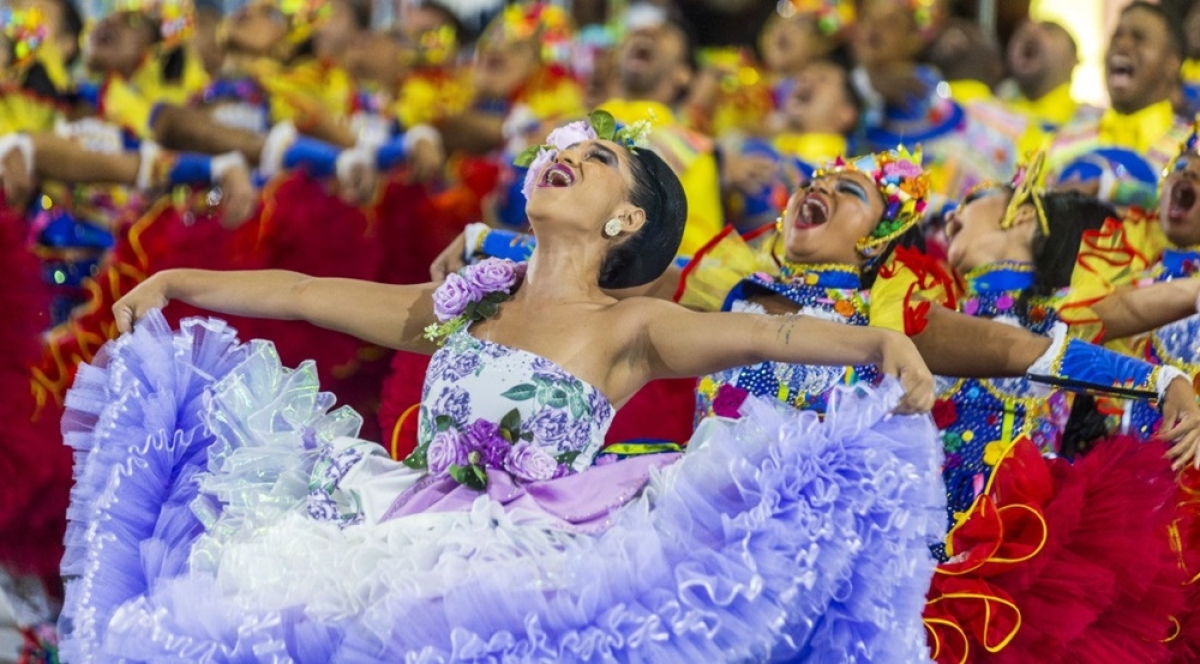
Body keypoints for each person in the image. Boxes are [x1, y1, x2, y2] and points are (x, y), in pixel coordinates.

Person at [58, 114, 945, 660]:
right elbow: (303, 294)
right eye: (563, 149)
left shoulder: (631, 327)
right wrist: (176, 280)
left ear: (625, 218)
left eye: (596, 157)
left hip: (521, 571)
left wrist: (879, 341)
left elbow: (768, 332)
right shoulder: (463, 306)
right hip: (388, 532)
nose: (565, 155)